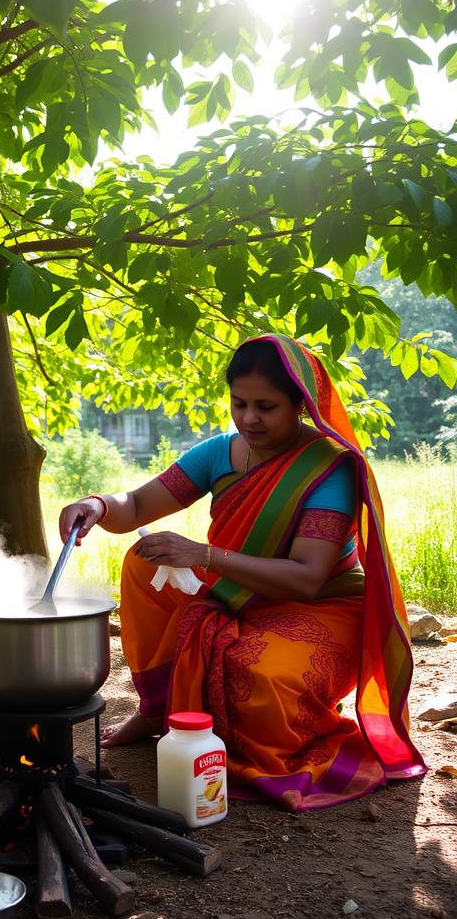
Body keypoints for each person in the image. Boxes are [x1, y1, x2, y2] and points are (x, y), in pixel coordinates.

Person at [59, 335, 425, 811]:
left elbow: (306, 578)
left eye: (266, 407)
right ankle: (156, 710)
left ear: (301, 405)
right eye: (239, 403)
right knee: (145, 563)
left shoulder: (328, 469)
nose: (249, 418)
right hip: (237, 591)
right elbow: (137, 506)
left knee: (258, 674)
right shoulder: (220, 453)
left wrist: (205, 556)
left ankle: (234, 727)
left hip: (321, 605)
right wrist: (96, 504)